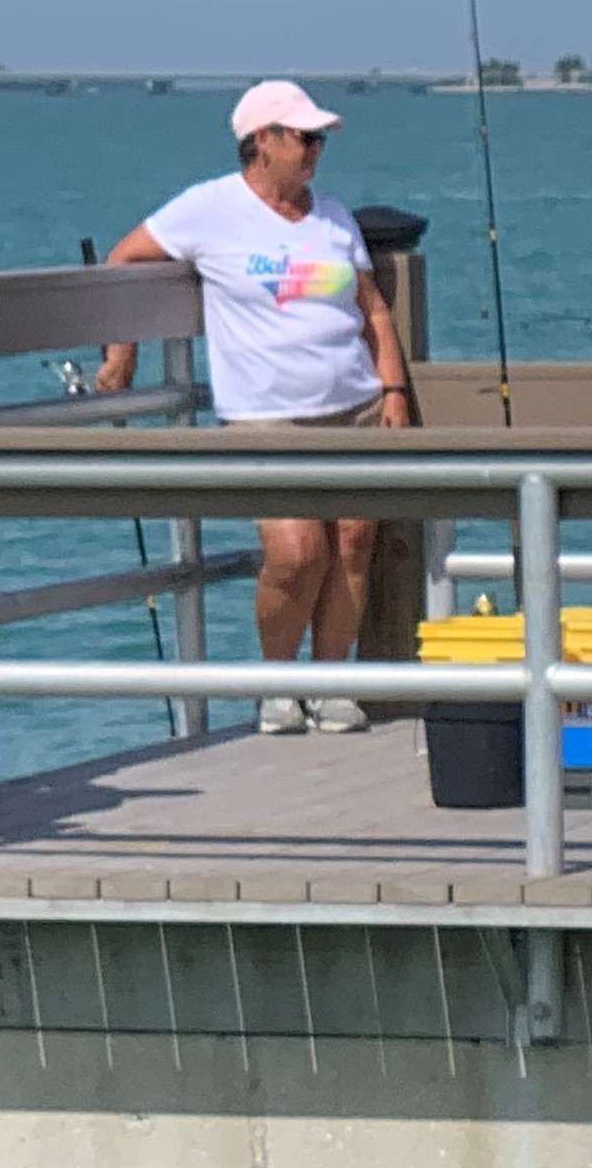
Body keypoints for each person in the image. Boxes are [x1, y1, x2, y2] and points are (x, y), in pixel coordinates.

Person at [95, 81, 412, 731]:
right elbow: (123, 259)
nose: (315, 150)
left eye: (319, 138)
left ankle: (331, 682)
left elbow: (372, 309)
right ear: (260, 142)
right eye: (303, 137)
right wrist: (121, 351)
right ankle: (277, 683)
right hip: (265, 415)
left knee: (353, 541)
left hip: (353, 403)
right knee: (297, 554)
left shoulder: (334, 216)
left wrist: (394, 389)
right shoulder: (207, 208)